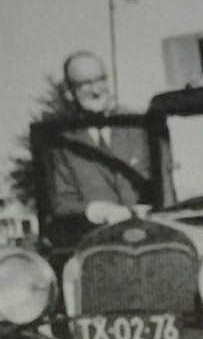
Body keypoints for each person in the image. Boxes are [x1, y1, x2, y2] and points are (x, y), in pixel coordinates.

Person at [50, 50, 150, 218]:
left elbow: (165, 190)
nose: (96, 90)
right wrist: (96, 211)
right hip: (97, 240)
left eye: (101, 79)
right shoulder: (62, 143)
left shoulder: (138, 127)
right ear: (69, 91)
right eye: (85, 84)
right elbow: (61, 203)